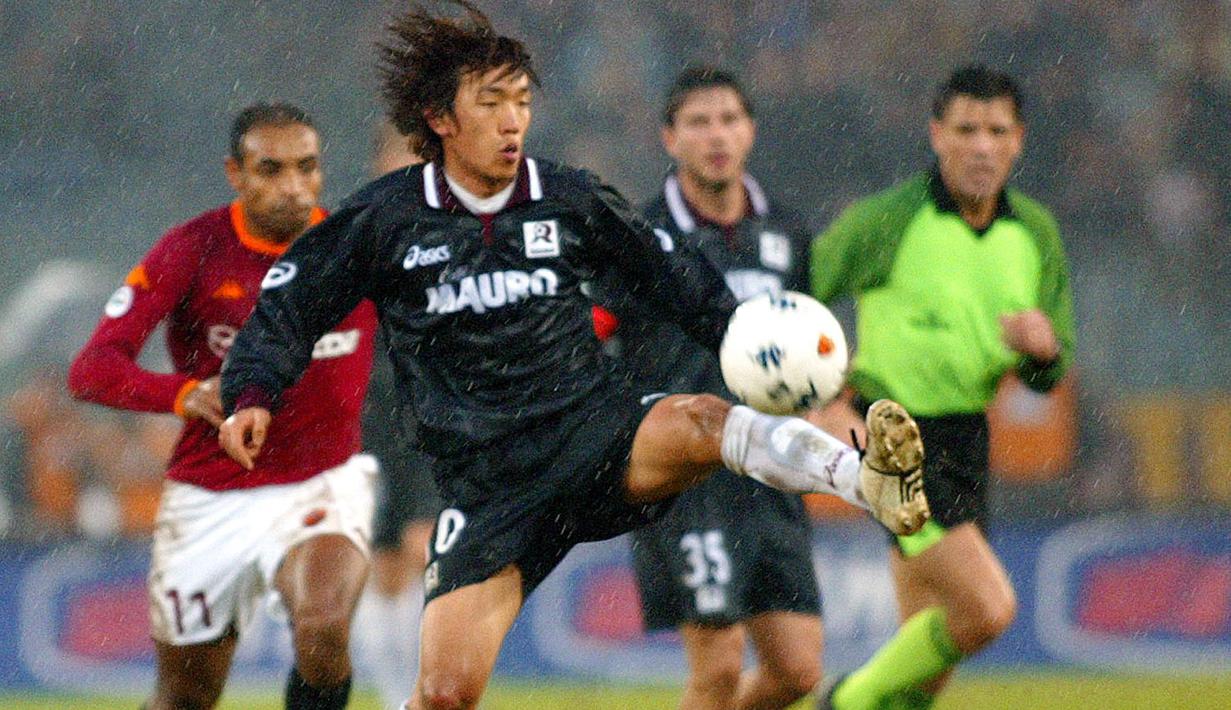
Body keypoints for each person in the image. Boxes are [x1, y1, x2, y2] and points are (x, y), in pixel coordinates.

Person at [216, 4, 929, 708]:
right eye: (490, 103)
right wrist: (251, 392)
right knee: (442, 694)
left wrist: (743, 337)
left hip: (596, 435)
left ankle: (866, 481)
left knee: (707, 418)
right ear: (439, 118)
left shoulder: (568, 197)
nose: (511, 121)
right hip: (489, 488)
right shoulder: (385, 218)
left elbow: (675, 279)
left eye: (521, 102)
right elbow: (289, 303)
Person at [67, 102, 378, 710]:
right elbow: (92, 370)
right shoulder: (194, 248)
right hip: (211, 496)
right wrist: (184, 394)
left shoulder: (354, 247)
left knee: (323, 625)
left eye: (307, 168)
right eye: (271, 170)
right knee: (185, 697)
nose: (293, 187)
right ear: (235, 173)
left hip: (322, 482)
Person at [810, 65, 1075, 710]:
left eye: (996, 130)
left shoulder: (1034, 233)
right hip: (891, 433)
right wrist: (823, 395)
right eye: (966, 129)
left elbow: (1052, 363)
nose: (981, 145)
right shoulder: (887, 221)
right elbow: (796, 295)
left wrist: (1043, 351)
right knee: (987, 609)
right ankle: (843, 701)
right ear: (937, 135)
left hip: (965, 437)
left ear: (1018, 141)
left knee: (928, 652)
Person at [592, 66, 822, 709]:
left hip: (770, 466)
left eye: (728, 119)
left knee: (798, 671)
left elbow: (808, 341)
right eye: (698, 121)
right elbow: (589, 336)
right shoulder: (637, 237)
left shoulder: (787, 232)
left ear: (749, 130)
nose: (716, 135)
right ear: (669, 137)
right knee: (716, 669)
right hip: (688, 475)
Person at [361, 121, 444, 709]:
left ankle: (437, 691)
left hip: (433, 417)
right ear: (379, 162)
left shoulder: (453, 233)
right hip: (367, 416)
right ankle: (398, 698)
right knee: (383, 566)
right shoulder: (356, 235)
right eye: (399, 156)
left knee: (426, 550)